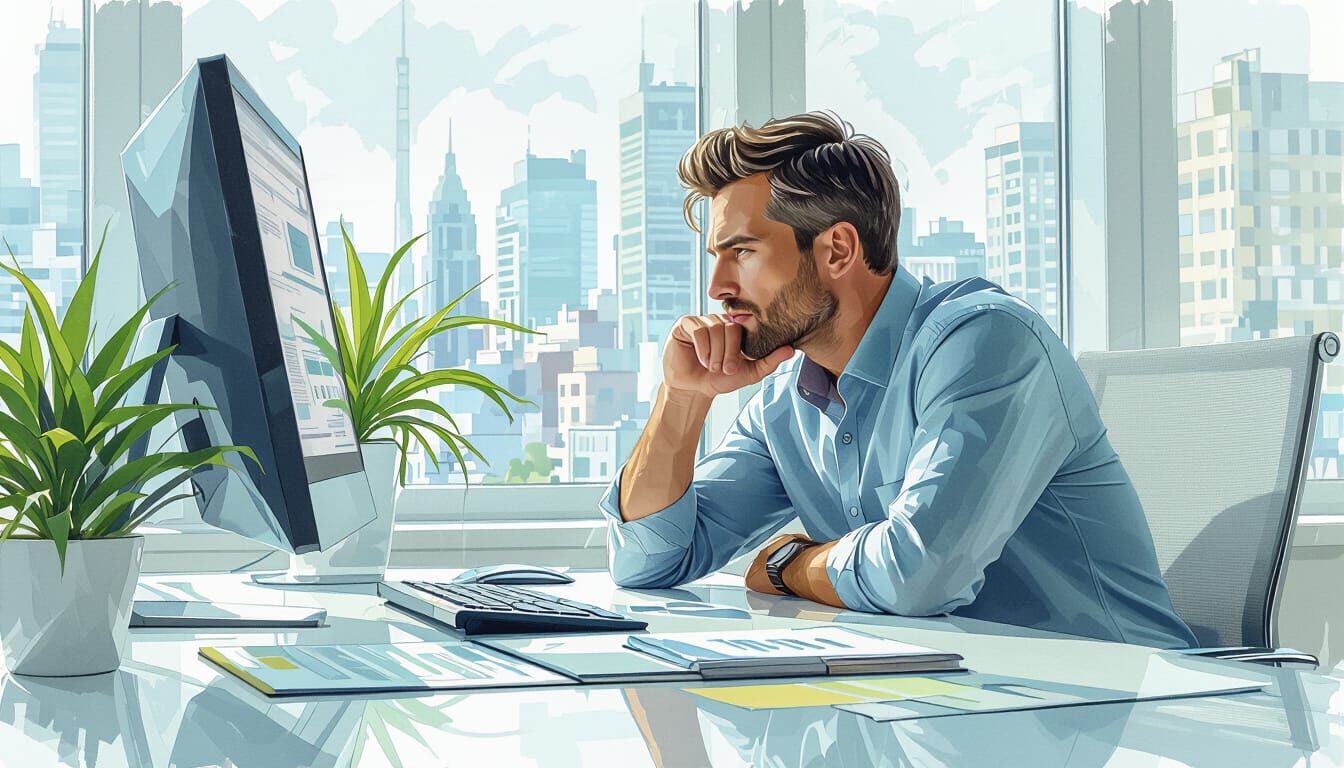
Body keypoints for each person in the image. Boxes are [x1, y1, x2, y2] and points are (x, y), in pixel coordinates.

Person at [599, 111, 1196, 649]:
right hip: (955, 700)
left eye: (744, 253)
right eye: (717, 257)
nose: (718, 288)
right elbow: (647, 563)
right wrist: (682, 397)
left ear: (837, 249)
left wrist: (787, 564)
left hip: (1121, 705)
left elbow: (919, 575)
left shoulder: (984, 342)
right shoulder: (786, 401)